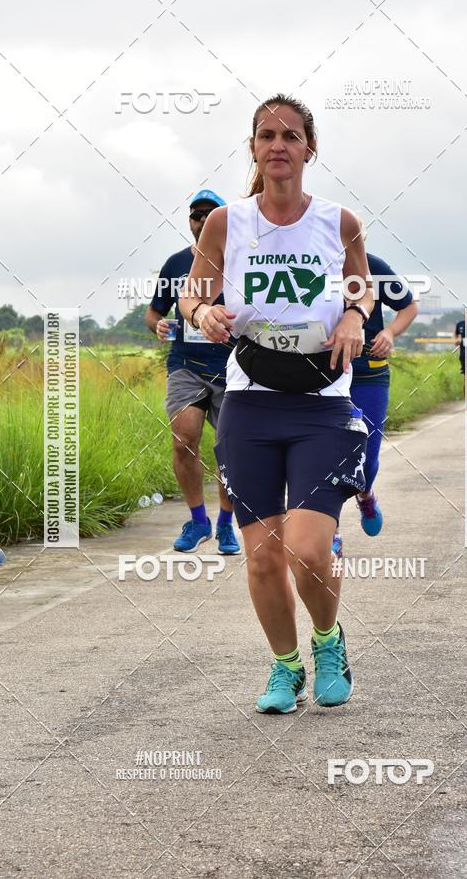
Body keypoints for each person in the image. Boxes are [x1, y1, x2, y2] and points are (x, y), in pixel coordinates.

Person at [179, 93, 375, 715]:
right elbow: (193, 294)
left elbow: (362, 288)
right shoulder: (226, 223)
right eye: (266, 136)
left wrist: (353, 315)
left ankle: (328, 641)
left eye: (291, 136)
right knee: (263, 558)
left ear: (309, 149)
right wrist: (205, 311)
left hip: (322, 400)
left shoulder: (339, 222)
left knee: (310, 550)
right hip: (251, 402)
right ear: (254, 150)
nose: (278, 146)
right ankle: (286, 666)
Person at [145, 190, 240, 555]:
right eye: (195, 215)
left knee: (230, 449)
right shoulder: (175, 265)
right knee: (184, 439)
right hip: (186, 365)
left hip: (232, 367)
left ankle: (226, 526)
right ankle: (198, 520)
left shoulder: (240, 262)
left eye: (209, 214)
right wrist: (158, 325)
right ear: (189, 221)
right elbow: (155, 311)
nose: (201, 220)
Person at [334, 256, 417, 549]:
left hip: (369, 373)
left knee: (366, 456)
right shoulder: (309, 266)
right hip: (320, 375)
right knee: (320, 453)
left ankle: (366, 495)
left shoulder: (374, 268)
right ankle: (329, 529)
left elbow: (409, 306)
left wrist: (389, 332)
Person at [454, 315, 466, 391]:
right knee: (466, 377)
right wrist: (456, 340)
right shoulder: (460, 324)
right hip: (463, 354)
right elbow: (455, 335)